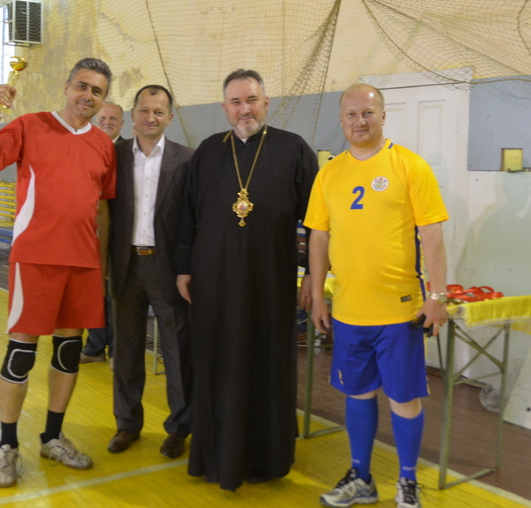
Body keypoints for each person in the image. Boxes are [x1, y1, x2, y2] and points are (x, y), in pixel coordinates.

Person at [0, 58, 117, 488]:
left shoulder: (103, 145)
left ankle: (52, 437)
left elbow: (102, 208)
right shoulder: (30, 126)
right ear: (66, 87)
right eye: (82, 86)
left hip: (83, 263)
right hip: (36, 259)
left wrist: (101, 264)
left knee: (68, 352)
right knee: (22, 352)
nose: (87, 95)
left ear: (104, 98)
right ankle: (7, 445)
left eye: (97, 91)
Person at [305, 83, 449, 508]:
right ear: (341, 120)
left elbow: (432, 235)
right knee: (358, 394)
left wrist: (437, 296)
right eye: (351, 114)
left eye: (368, 113)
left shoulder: (409, 165)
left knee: (403, 397)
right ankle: (361, 478)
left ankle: (407, 481)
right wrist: (318, 295)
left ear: (383, 116)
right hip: (349, 311)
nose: (360, 121)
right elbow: (318, 237)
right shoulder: (329, 173)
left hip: (399, 311)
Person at [176, 69, 318, 490]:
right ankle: (216, 455)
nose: (245, 109)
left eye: (252, 100)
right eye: (236, 102)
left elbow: (318, 223)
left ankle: (266, 458)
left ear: (266, 103)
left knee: (266, 364)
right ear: (224, 108)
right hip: (213, 283)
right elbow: (186, 216)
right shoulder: (207, 152)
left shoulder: (294, 149)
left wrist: (313, 273)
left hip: (269, 283)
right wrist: (183, 267)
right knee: (217, 365)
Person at [107, 85, 194, 458]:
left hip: (167, 267)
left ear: (170, 117)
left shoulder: (187, 160)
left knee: (177, 350)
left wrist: (187, 268)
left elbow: (192, 219)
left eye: (159, 111)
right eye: (144, 110)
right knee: (126, 349)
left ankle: (179, 428)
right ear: (133, 115)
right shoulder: (113, 156)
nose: (151, 117)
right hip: (124, 265)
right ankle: (127, 424)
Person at [81, 101, 126, 364]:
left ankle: (116, 350)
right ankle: (95, 346)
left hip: (121, 233)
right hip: (90, 232)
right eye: (103, 118)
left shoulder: (129, 152)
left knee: (117, 294)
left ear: (122, 123)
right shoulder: (86, 147)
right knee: (92, 291)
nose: (107, 122)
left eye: (113, 118)